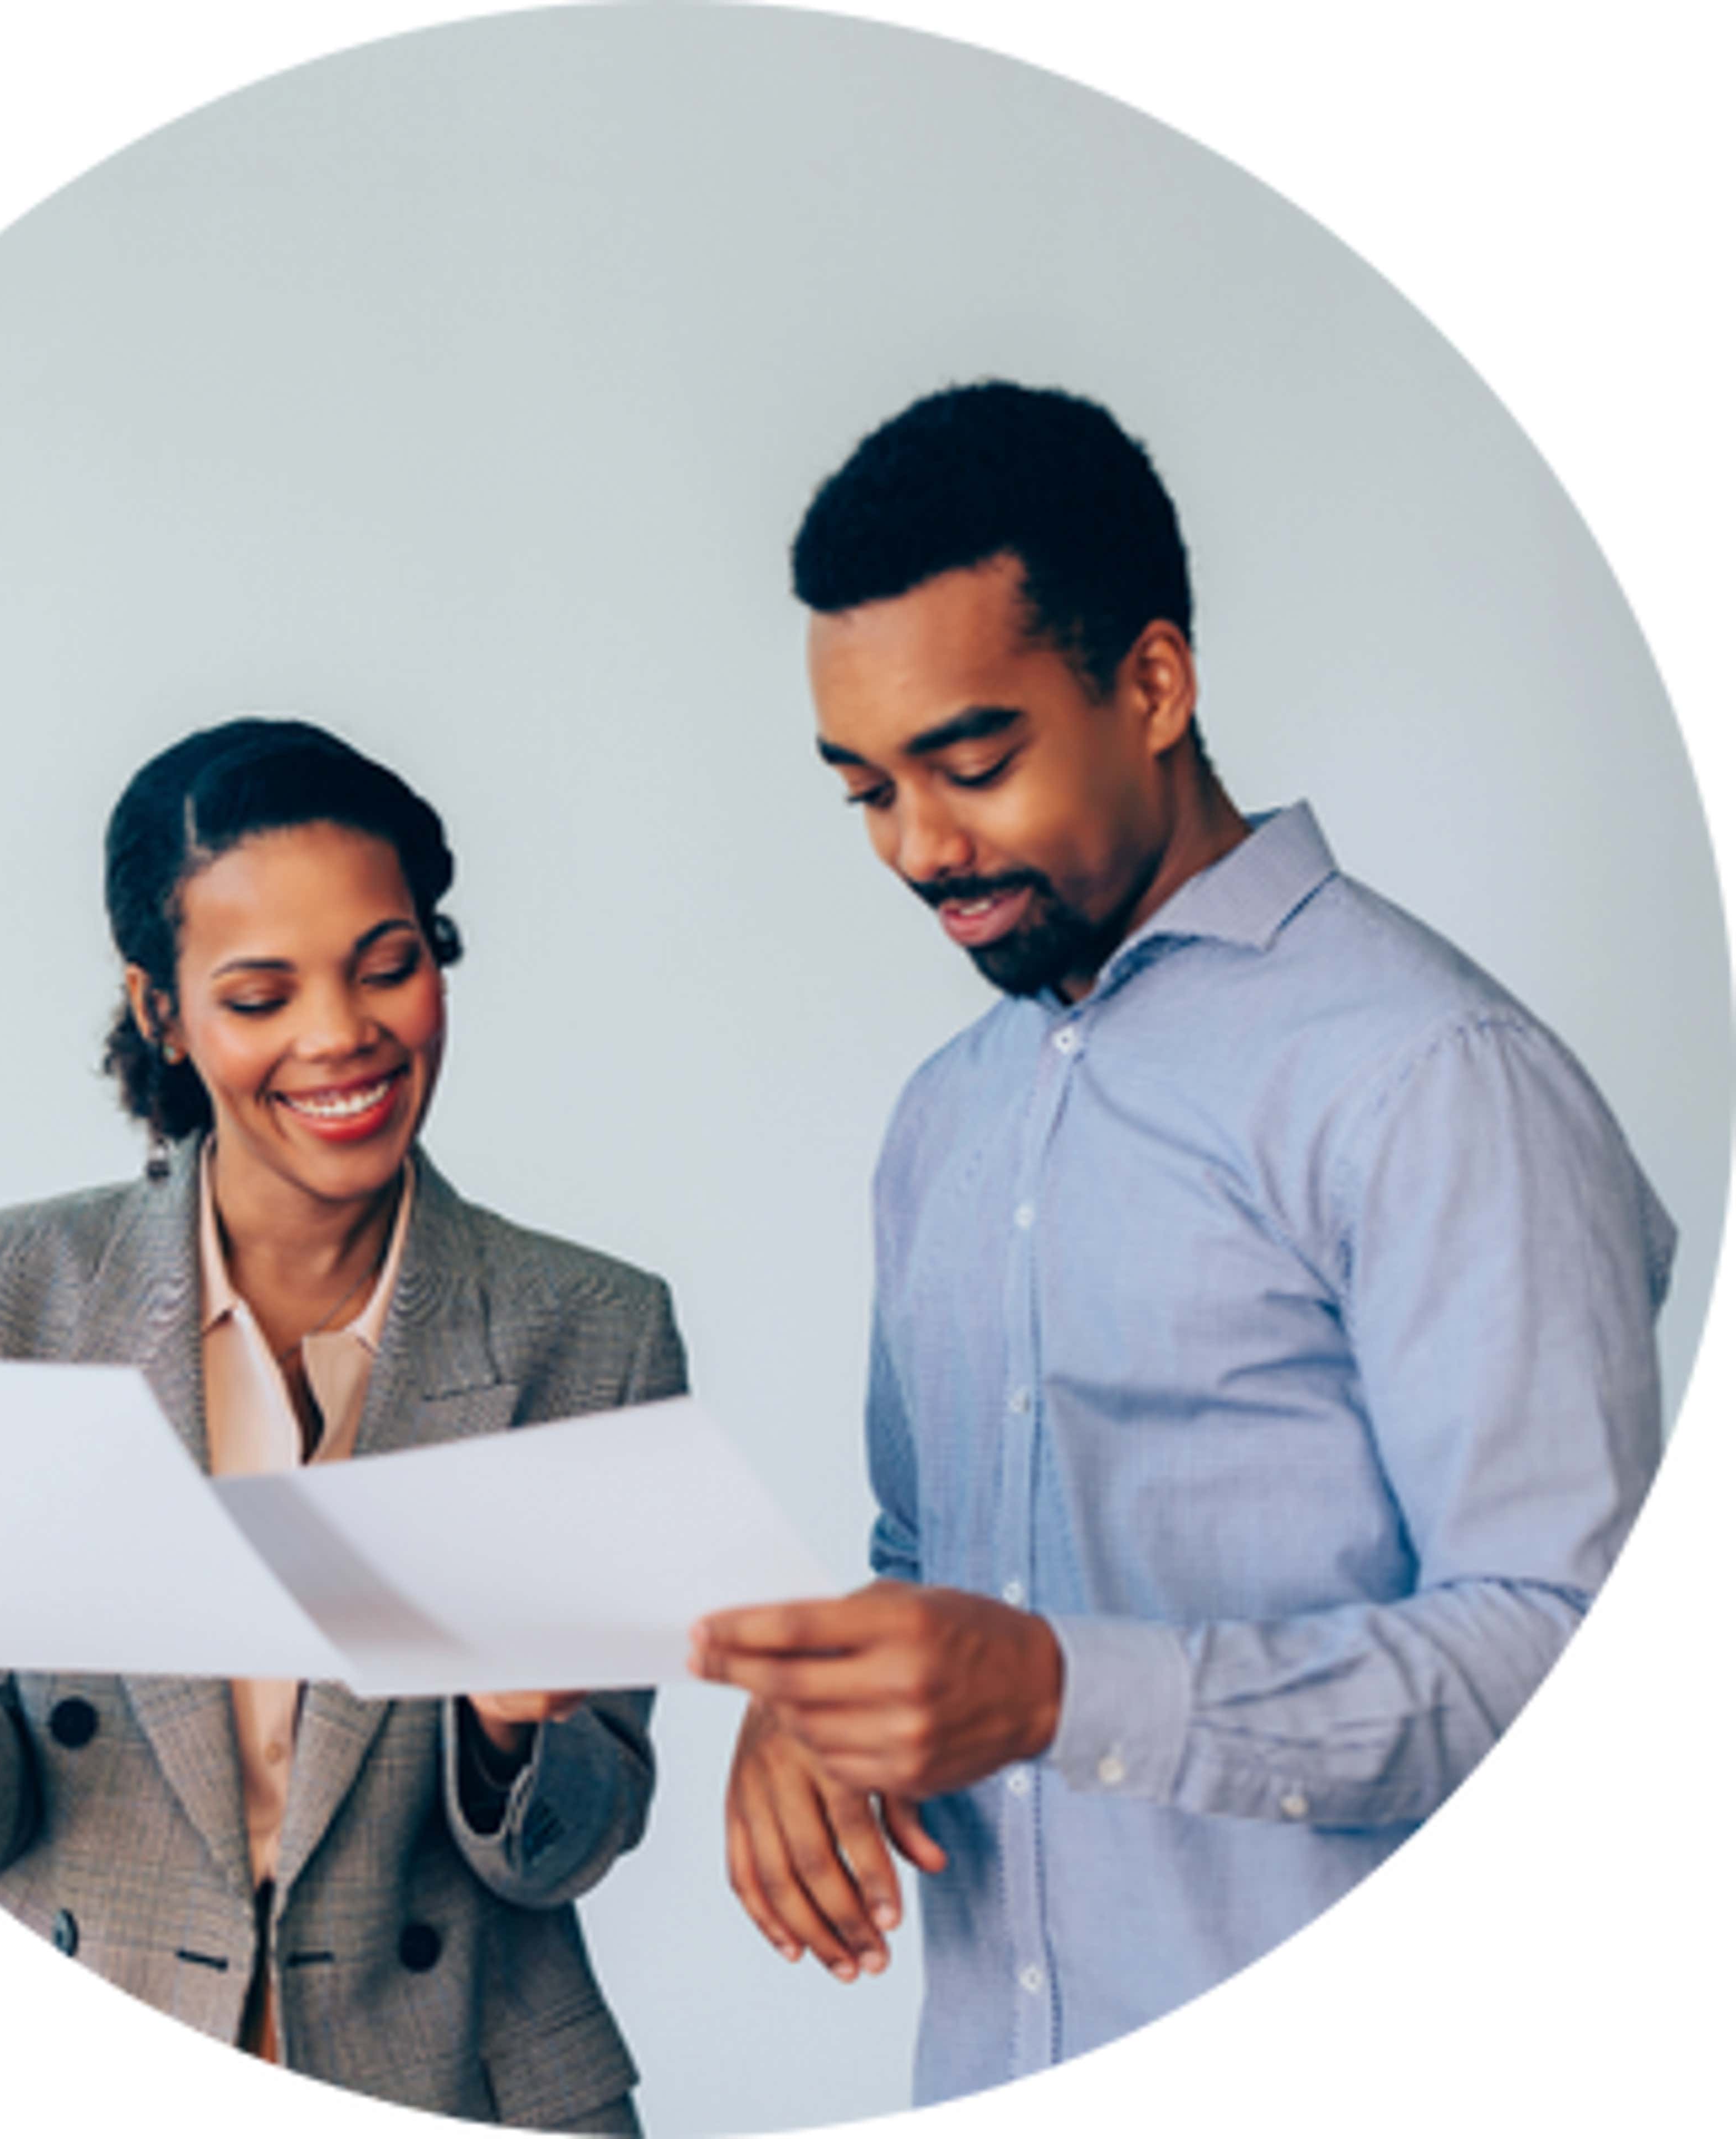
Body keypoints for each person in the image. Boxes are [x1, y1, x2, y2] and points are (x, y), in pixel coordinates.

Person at [690, 382, 1672, 2102]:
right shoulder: (945, 1118)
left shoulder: (1432, 1077)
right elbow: (931, 1554)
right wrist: (826, 1711)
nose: (922, 848)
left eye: (972, 764)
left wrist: (1070, 1691)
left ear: (1153, 684)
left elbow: (1563, 1650)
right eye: (864, 790)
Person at [0, 718, 685, 2131]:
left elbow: (570, 1849)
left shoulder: (591, 1329)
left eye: (388, 967)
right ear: (161, 1010)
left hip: (462, 2081)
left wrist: (514, 1737)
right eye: (260, 994)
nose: (342, 1035)